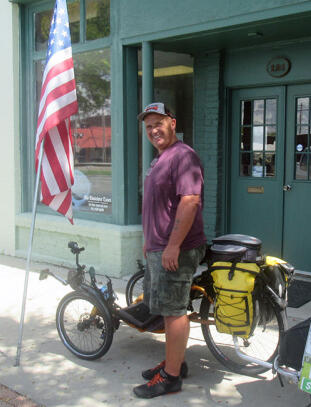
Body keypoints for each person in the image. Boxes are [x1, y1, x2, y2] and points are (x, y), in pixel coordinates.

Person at [133, 102, 206, 399]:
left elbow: (190, 201)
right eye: (148, 126)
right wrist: (149, 241)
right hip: (159, 247)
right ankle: (175, 362)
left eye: (158, 124)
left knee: (174, 312)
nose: (153, 130)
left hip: (175, 249)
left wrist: (173, 245)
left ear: (172, 123)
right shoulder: (161, 158)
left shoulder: (183, 156)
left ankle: (171, 378)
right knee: (166, 309)